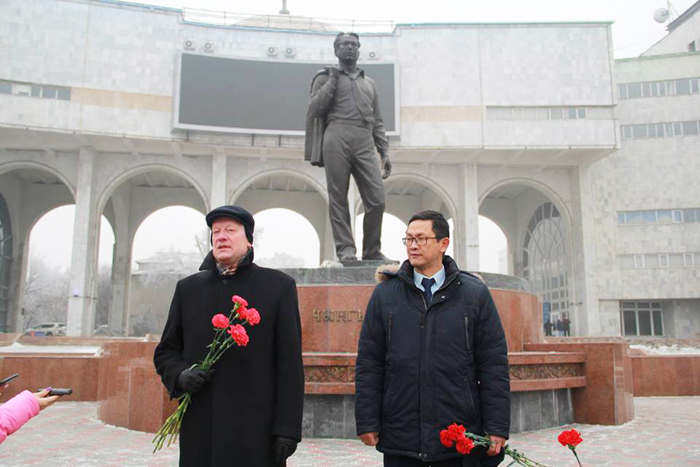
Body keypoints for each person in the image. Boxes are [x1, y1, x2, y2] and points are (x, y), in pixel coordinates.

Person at [355, 210, 510, 467]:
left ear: (443, 244)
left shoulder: (474, 294)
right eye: (408, 239)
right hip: (401, 435)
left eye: (421, 238)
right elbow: (370, 363)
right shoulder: (385, 294)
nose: (413, 245)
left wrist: (497, 426)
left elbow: (493, 365)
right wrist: (367, 420)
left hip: (458, 436)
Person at [154, 205, 305, 467]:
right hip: (201, 430)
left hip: (256, 434)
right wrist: (180, 374)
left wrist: (287, 429)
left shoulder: (278, 287)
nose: (221, 236)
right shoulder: (188, 289)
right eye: (215, 232)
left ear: (249, 239)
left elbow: (290, 365)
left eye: (230, 230)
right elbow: (166, 351)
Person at [305, 32, 392, 262]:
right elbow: (314, 108)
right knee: (338, 197)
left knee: (377, 199)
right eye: (345, 44)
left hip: (364, 138)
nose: (350, 48)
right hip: (336, 135)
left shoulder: (369, 83)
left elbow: (378, 120)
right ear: (336, 50)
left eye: (354, 44)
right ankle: (345, 250)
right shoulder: (324, 77)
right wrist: (333, 80)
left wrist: (384, 150)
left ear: (359, 50)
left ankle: (372, 251)